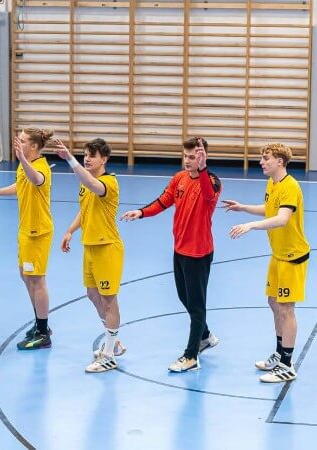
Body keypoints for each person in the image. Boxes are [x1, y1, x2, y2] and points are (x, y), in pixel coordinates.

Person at [121, 137, 221, 372]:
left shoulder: (213, 182)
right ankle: (205, 336)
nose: (187, 160)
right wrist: (141, 212)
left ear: (203, 157)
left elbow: (208, 195)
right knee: (184, 297)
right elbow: (164, 200)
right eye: (185, 156)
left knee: (197, 306)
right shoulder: (179, 178)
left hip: (198, 253)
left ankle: (191, 356)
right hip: (180, 249)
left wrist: (203, 168)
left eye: (193, 157)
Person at [224, 143, 309, 383]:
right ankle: (280, 353)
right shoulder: (272, 183)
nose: (261, 162)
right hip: (278, 255)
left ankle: (287, 365)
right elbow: (270, 209)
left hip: (292, 256)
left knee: (286, 308)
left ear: (280, 161)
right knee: (273, 302)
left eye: (266, 158)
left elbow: (282, 218)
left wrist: (250, 226)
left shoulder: (290, 186)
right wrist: (243, 208)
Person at [0, 128, 54, 350]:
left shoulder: (40, 167)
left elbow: (36, 179)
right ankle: (40, 323)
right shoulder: (25, 165)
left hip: (37, 232)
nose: (18, 143)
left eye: (22, 141)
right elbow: (21, 185)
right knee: (25, 276)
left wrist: (21, 158)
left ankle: (43, 333)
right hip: (25, 230)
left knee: (37, 280)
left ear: (34, 146)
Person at [56, 138, 126, 372]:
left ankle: (108, 355)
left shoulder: (109, 183)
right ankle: (114, 342)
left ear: (104, 159)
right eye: (85, 155)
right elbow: (85, 209)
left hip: (107, 248)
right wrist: (70, 230)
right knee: (93, 295)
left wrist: (70, 159)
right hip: (90, 246)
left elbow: (91, 184)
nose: (87, 159)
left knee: (109, 300)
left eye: (92, 156)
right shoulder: (86, 183)